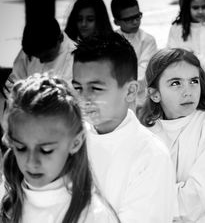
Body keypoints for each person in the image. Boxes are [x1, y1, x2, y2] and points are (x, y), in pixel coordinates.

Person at [71, 33, 174, 223]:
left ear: (130, 91)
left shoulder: (151, 156)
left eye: (95, 88)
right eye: (78, 88)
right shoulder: (71, 140)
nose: (83, 99)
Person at [0, 73, 119, 223]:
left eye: (46, 150)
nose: (31, 162)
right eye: (21, 148)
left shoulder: (94, 216)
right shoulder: (5, 198)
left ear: (75, 143)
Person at [139, 48, 205, 222]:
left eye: (194, 81)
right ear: (154, 94)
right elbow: (139, 189)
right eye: (176, 83)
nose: (188, 91)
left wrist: (156, 203)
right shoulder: (146, 132)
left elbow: (202, 194)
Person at [3, 18, 76, 98]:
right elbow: (13, 85)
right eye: (37, 57)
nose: (41, 61)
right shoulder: (32, 46)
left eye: (47, 56)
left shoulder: (74, 57)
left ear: (60, 39)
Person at [110, 0, 158, 109]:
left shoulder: (148, 40)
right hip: (113, 99)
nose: (135, 22)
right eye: (129, 19)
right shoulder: (110, 40)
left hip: (141, 101)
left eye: (137, 16)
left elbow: (144, 73)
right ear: (116, 22)